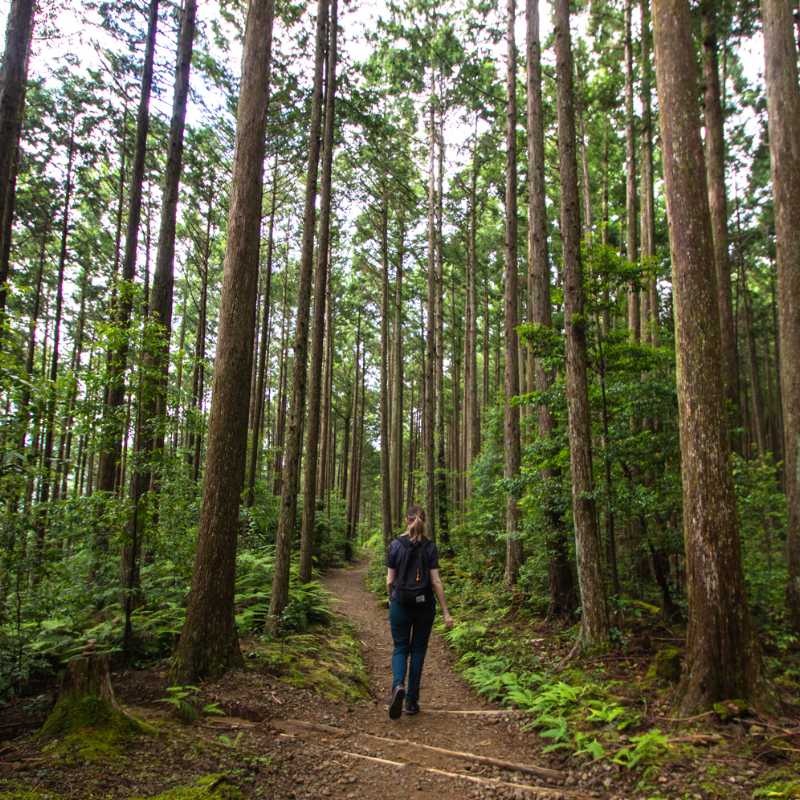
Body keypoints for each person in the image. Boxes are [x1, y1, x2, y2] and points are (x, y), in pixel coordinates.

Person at [385, 505, 453, 719]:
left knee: (400, 648)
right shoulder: (430, 547)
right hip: (424, 607)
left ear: (407, 519)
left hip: (400, 604)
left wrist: (391, 598)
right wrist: (446, 612)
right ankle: (412, 702)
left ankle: (398, 686)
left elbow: (389, 580)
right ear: (425, 521)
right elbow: (436, 581)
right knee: (418, 651)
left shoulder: (395, 545)